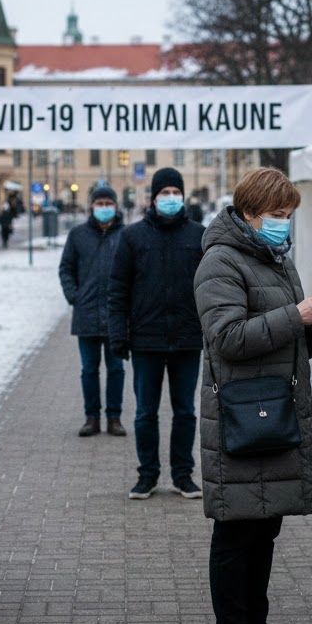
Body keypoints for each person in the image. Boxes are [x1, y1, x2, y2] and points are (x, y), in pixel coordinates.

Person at [193, 167, 312, 624]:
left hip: (273, 413)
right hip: (241, 417)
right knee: (236, 536)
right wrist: (294, 316)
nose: (285, 225)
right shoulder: (220, 261)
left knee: (264, 533)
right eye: (278, 216)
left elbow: (287, 340)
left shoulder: (274, 260)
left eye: (289, 216)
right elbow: (227, 338)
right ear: (251, 213)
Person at [108, 167, 205, 500]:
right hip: (146, 339)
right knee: (145, 412)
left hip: (188, 339)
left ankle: (183, 475)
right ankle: (147, 475)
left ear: (183, 195)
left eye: (175, 193)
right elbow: (118, 290)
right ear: (153, 197)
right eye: (164, 193)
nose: (170, 199)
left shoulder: (199, 236)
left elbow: (212, 288)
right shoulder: (133, 237)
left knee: (186, 411)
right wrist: (118, 335)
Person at [59, 186, 127, 437]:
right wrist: (74, 296)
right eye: (99, 202)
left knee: (116, 369)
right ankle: (92, 418)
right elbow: (66, 268)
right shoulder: (78, 235)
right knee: (89, 370)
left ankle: (114, 418)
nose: (104, 206)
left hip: (116, 315)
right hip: (86, 313)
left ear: (116, 206)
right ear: (91, 206)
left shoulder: (126, 235)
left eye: (108, 202)